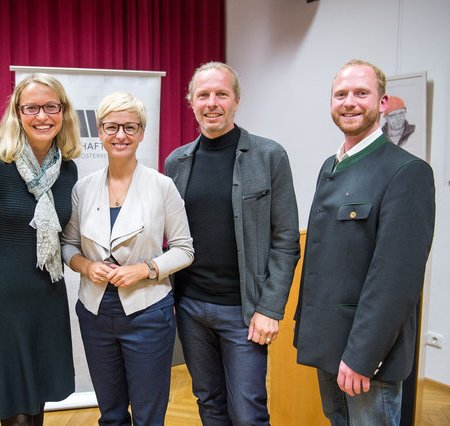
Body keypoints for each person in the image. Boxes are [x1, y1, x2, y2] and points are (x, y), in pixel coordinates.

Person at [293, 60, 435, 425]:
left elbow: (395, 280)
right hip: (328, 343)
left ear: (383, 103)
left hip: (367, 354)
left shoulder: (406, 172)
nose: (349, 102)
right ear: (331, 103)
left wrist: (363, 356)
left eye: (361, 93)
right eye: (341, 94)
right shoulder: (331, 166)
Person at [164, 62, 300, 425]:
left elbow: (286, 240)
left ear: (236, 100)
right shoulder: (176, 162)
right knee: (208, 402)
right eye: (203, 95)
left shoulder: (269, 156)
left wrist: (271, 309)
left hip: (245, 312)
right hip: (190, 307)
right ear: (190, 101)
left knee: (247, 410)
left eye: (221, 94)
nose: (212, 102)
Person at [0, 73, 81, 426]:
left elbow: (67, 237)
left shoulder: (67, 170)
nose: (42, 116)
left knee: (37, 406)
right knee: (15, 414)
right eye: (32, 108)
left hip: (46, 301)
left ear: (63, 112)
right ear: (17, 113)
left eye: (51, 107)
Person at [61, 92, 194, 425]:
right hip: (95, 313)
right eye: (112, 127)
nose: (120, 135)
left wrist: (145, 269)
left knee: (149, 414)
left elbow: (184, 248)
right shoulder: (83, 188)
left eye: (130, 127)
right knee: (111, 412)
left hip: (147, 312)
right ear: (100, 132)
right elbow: (68, 245)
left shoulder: (162, 186)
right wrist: (86, 266)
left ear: (142, 132)